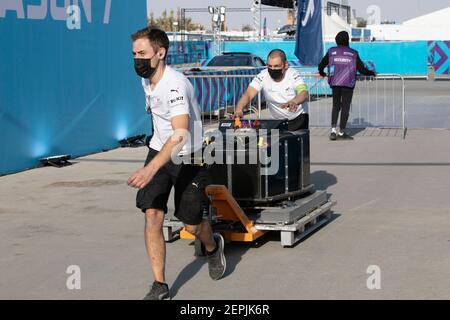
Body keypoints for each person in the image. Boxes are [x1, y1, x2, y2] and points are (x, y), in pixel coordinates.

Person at [128, 27, 226, 300]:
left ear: (161, 53)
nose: (137, 59)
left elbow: (181, 132)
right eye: (134, 54)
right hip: (160, 150)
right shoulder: (147, 79)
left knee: (190, 224)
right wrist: (154, 158)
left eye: (143, 53)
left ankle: (211, 245)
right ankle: (160, 284)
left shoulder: (175, 85)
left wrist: (150, 168)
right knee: (152, 214)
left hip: (190, 156)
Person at [318, 31, 376, 141]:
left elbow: (321, 64)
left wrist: (322, 72)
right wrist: (372, 73)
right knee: (345, 108)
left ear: (336, 40)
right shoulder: (353, 53)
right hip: (348, 84)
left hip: (335, 82)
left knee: (335, 106)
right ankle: (341, 132)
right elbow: (362, 69)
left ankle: (333, 131)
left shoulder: (331, 51)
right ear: (347, 40)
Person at [233, 49, 309, 131]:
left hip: (298, 119)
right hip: (276, 121)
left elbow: (303, 93)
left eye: (276, 66)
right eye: (269, 66)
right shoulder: (263, 75)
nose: (272, 69)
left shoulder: (293, 74)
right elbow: (248, 94)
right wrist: (239, 109)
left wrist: (294, 101)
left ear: (286, 65)